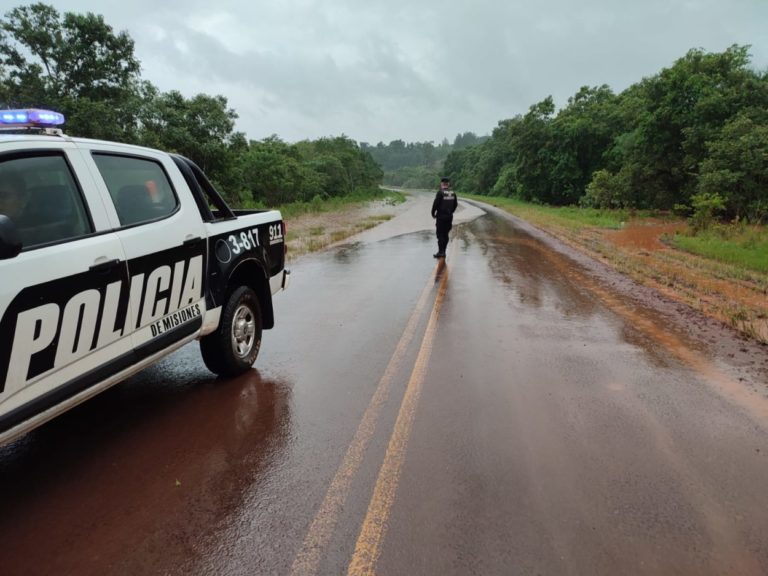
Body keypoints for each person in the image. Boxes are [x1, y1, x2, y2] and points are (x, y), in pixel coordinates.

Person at [431, 176, 458, 258]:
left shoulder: (440, 193)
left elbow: (435, 204)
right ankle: (444, 251)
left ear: (442, 184)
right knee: (445, 234)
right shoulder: (453, 193)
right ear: (448, 184)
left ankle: (441, 252)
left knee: (440, 234)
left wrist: (433, 213)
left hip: (441, 217)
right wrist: (451, 212)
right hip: (449, 217)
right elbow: (455, 204)